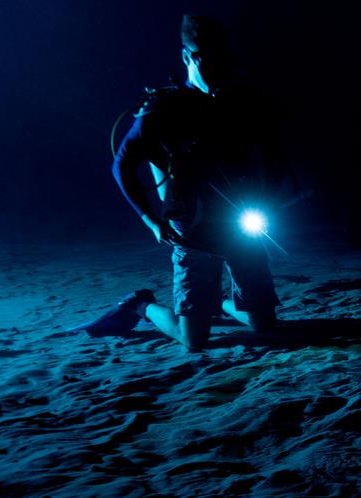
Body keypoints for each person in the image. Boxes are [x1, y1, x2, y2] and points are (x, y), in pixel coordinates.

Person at [87, 13, 298, 350]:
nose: (217, 72)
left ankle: (215, 306)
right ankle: (141, 304)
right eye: (208, 61)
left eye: (222, 62)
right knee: (194, 341)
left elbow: (274, 156)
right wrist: (151, 220)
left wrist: (269, 199)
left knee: (265, 324)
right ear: (188, 57)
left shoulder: (238, 104)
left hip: (239, 224)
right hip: (192, 228)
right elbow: (122, 166)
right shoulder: (160, 111)